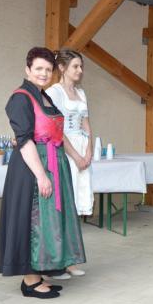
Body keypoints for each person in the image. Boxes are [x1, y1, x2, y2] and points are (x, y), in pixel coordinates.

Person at [0, 47, 86, 298]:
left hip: (53, 163)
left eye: (48, 69)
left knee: (46, 223)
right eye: (38, 69)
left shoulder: (43, 96)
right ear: (28, 70)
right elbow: (24, 141)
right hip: (32, 169)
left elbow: (55, 132)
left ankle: (40, 271)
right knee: (32, 221)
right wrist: (41, 175)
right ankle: (30, 280)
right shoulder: (21, 97)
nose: (44, 73)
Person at [46, 49, 92, 279]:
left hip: (82, 148)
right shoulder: (54, 93)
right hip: (65, 150)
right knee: (63, 203)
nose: (80, 70)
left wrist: (89, 151)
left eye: (81, 66)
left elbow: (86, 123)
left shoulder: (81, 93)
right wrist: (75, 155)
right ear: (62, 68)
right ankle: (57, 261)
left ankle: (71, 260)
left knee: (75, 204)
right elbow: (57, 129)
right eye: (75, 66)